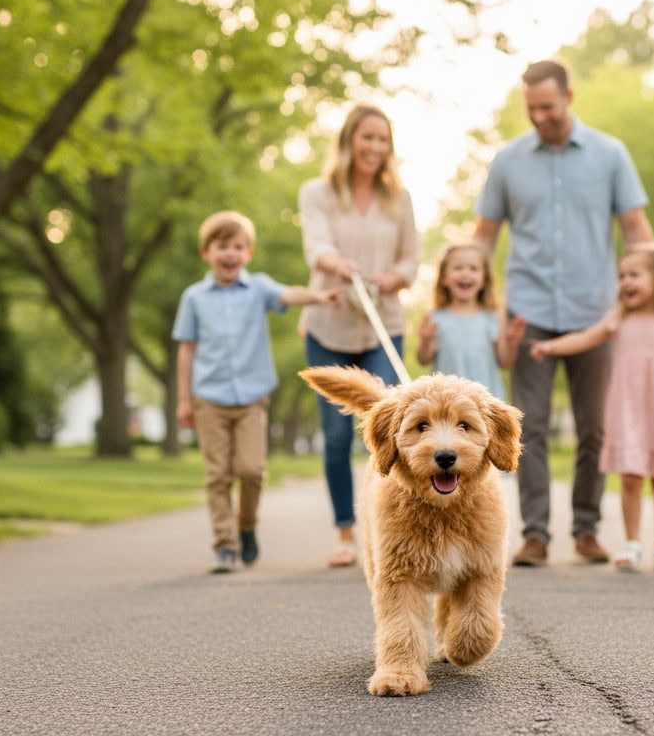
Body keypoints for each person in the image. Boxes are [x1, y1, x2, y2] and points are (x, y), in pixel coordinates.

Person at [473, 59, 654, 566]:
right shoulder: (508, 161)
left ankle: (587, 528)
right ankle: (534, 534)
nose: (539, 118)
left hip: (595, 312)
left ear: (569, 97)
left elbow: (637, 229)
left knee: (594, 425)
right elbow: (484, 238)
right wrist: (474, 300)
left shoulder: (609, 154)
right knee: (527, 427)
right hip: (527, 313)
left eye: (547, 108)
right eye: (531, 109)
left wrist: (647, 289)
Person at [173, 211, 339, 574]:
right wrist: (184, 401)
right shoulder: (194, 298)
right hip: (208, 399)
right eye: (222, 247)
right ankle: (225, 546)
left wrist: (320, 296)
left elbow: (289, 293)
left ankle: (246, 526)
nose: (229, 254)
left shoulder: (259, 288)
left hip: (251, 399)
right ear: (207, 252)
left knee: (251, 471)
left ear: (248, 253)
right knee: (217, 475)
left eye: (237, 246)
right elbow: (186, 349)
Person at [530, 244, 654, 573]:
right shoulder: (619, 321)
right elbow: (584, 339)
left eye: (634, 275)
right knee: (630, 478)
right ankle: (632, 543)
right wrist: (550, 346)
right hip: (630, 413)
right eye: (622, 276)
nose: (625, 282)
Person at [299, 103, 420, 568]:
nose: (374, 147)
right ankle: (346, 533)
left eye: (382, 139)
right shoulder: (318, 192)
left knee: (391, 426)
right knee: (335, 437)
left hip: (382, 323)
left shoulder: (399, 199)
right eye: (366, 137)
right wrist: (336, 264)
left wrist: (394, 278)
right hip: (329, 323)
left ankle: (390, 519)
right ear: (349, 140)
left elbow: (412, 260)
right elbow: (316, 244)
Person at [415, 243, 527, 399]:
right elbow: (423, 359)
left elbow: (505, 363)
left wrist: (513, 344)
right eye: (458, 268)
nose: (465, 274)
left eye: (473, 269)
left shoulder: (493, 317)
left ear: (484, 280)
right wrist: (426, 341)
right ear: (444, 279)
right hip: (448, 402)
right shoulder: (435, 318)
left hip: (486, 402)